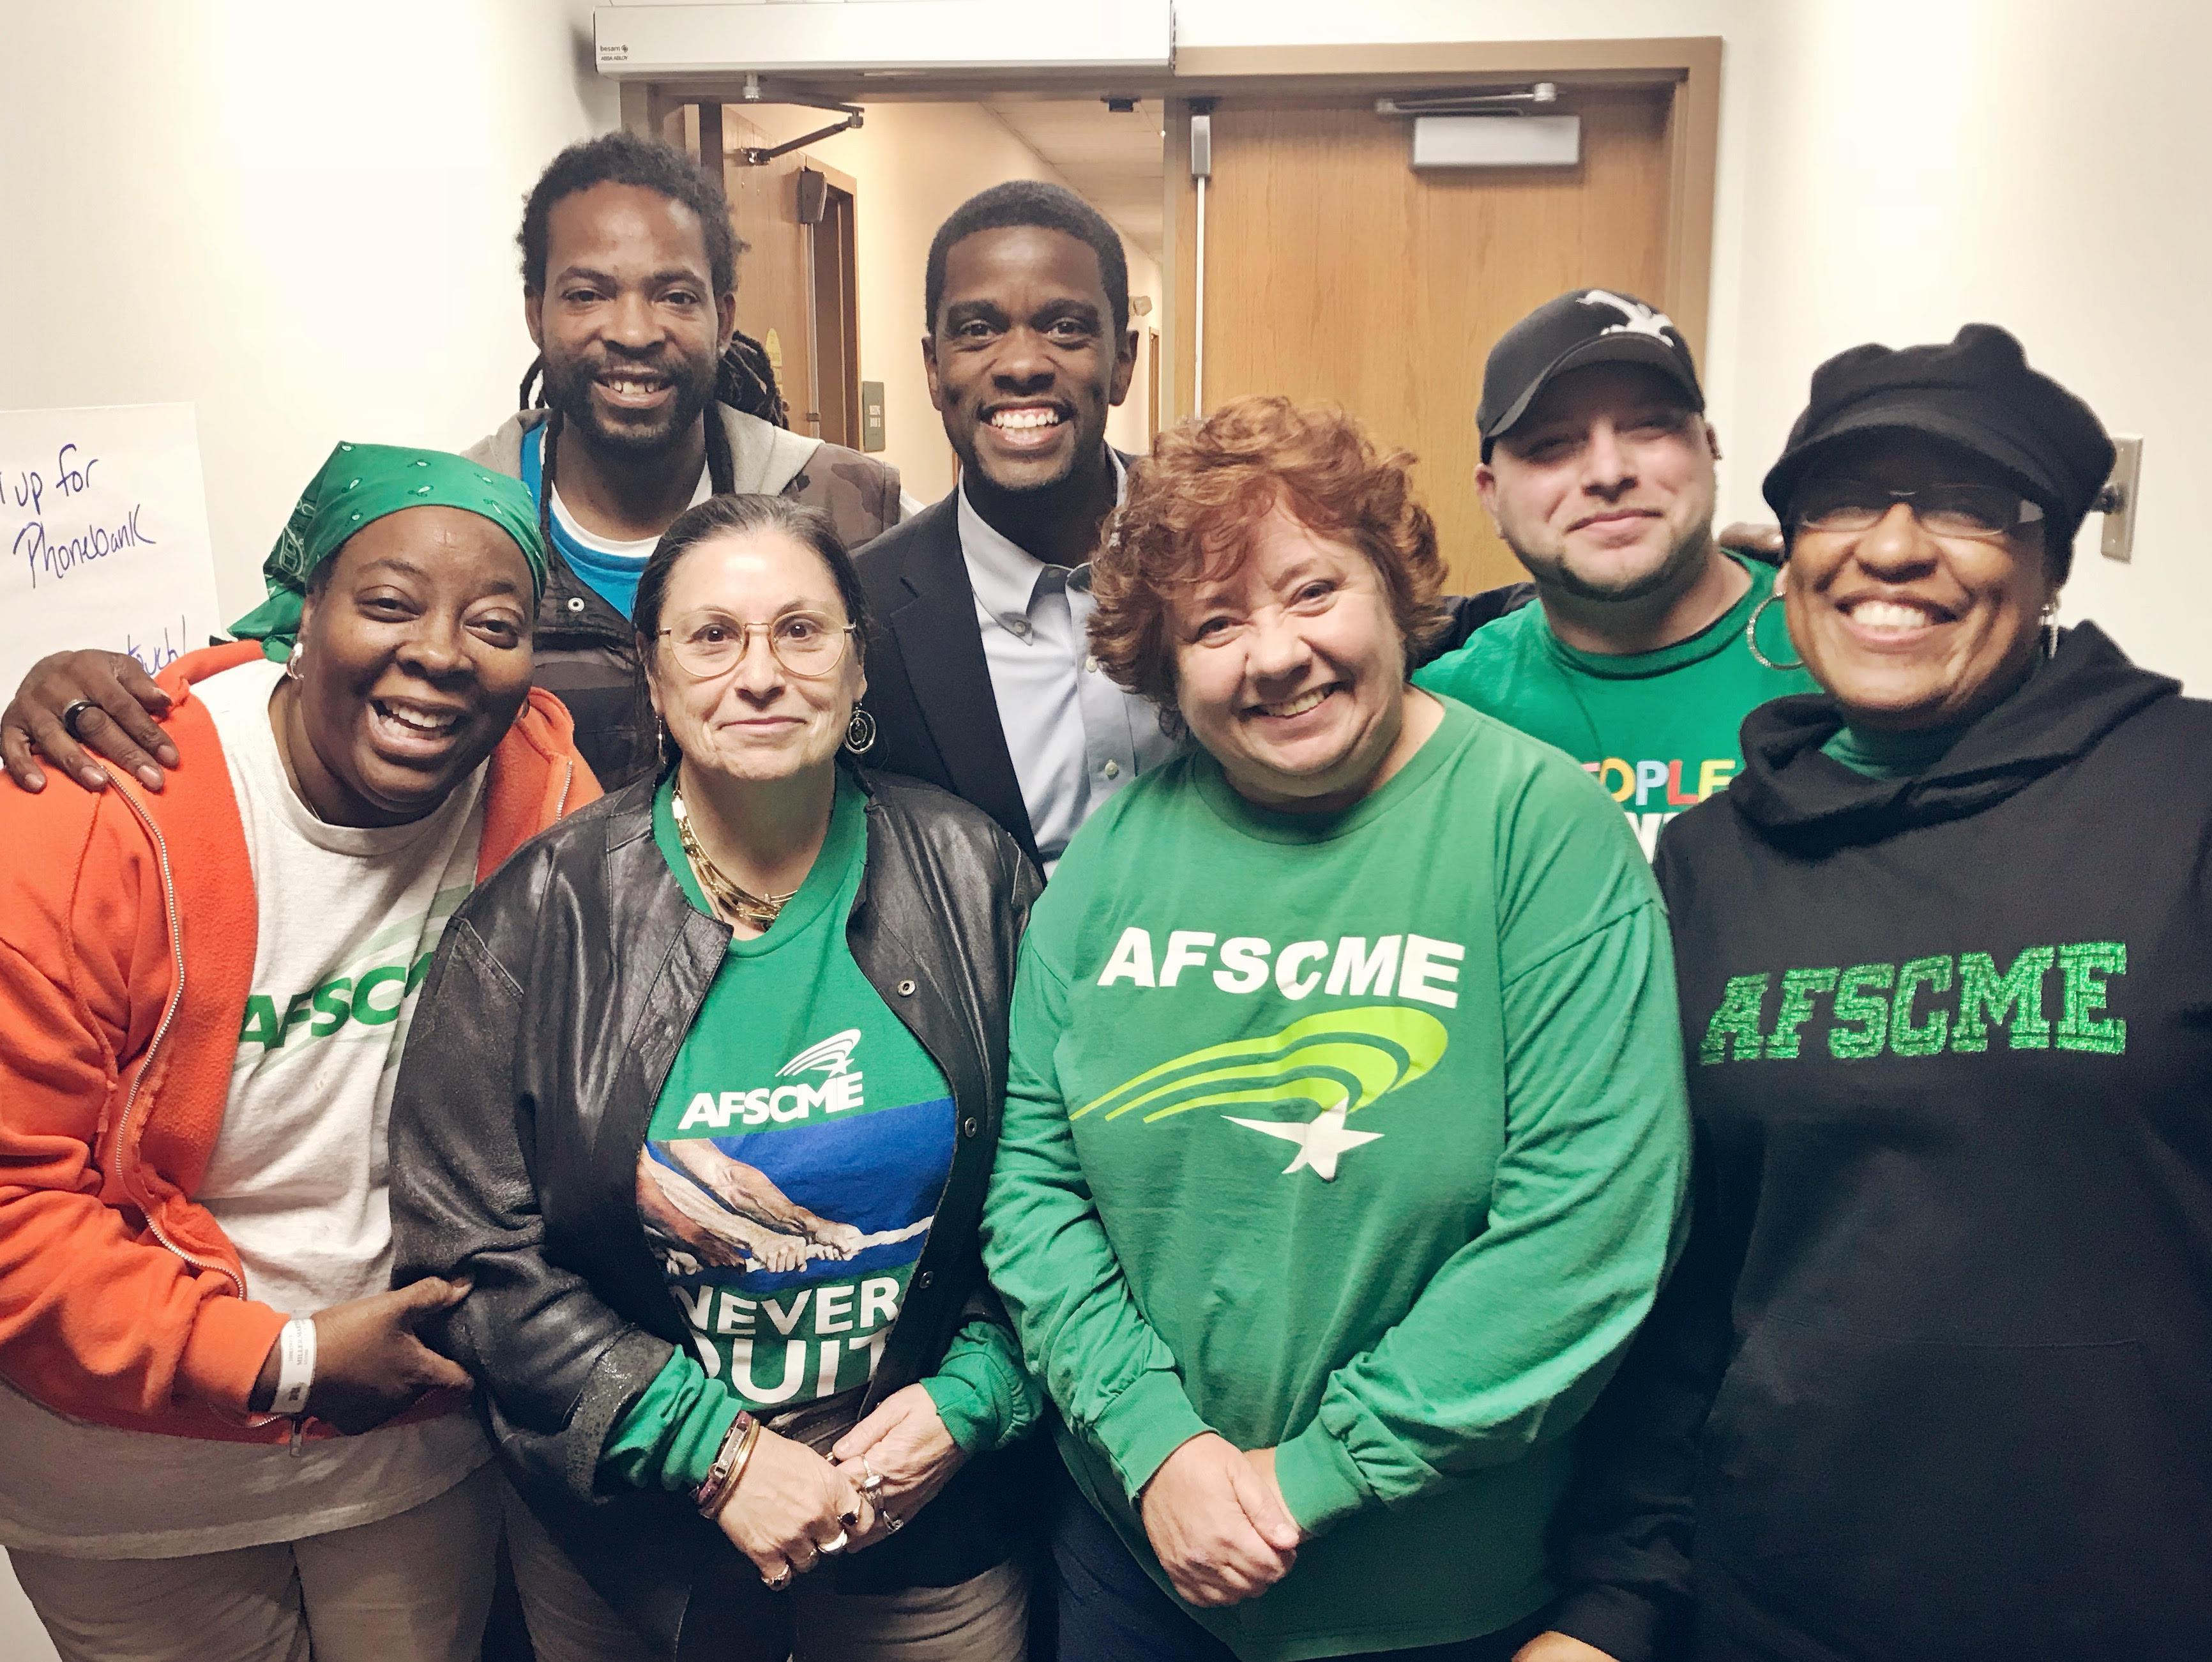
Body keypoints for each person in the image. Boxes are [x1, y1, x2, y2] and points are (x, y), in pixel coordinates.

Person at [1523, 325, 2212, 1662]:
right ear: (1786, 556)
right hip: (1776, 1609)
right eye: (1842, 501)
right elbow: (1689, 1279)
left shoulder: (2185, 799)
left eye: (1962, 502)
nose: (1892, 548)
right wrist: (1614, 1603)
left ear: (2052, 557)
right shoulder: (1715, 862)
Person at [981, 395, 1691, 1662]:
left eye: (1312, 591)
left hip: (1432, 1594)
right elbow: (1032, 1184)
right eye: (1214, 623)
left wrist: (1310, 1474)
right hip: (1139, 1564)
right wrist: (1158, 1448)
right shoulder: (1113, 858)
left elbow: (1585, 1226)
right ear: (1160, 661)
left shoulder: (1537, 827)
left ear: (1391, 584)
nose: (1273, 653)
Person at [389, 493, 1042, 1662]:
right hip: (637, 1551)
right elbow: (471, 1250)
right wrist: (713, 1450)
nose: (759, 673)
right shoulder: (542, 918)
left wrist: (973, 1394)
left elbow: (1058, 1182)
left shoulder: (974, 876)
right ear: (651, 673)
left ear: (854, 670)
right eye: (712, 635)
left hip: (927, 1529)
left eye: (800, 631)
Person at [0, 445, 595, 1662]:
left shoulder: (539, 786)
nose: (440, 650)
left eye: (495, 622)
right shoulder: (95, 807)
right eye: (387, 603)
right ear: (301, 615)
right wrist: (286, 1358)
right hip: (131, 1478)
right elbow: (13, 1203)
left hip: (411, 1450)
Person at [0, 132, 901, 797]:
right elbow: (275, 673)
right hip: (533, 981)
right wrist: (85, 687)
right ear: (535, 313)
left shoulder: (844, 506)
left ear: (726, 315)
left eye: (674, 295)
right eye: (587, 294)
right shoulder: (453, 532)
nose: (633, 331)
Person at [1413, 290, 1815, 857]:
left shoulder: (1836, 655)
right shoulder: (1439, 713)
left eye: (1650, 427)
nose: (1608, 472)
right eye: (1551, 445)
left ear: (1709, 447)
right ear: (1491, 495)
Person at [852, 180, 1178, 871]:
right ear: (933, 369)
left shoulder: (1216, 540)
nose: (1023, 364)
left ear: (1122, 362)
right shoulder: (863, 613)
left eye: (1065, 327)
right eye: (977, 330)